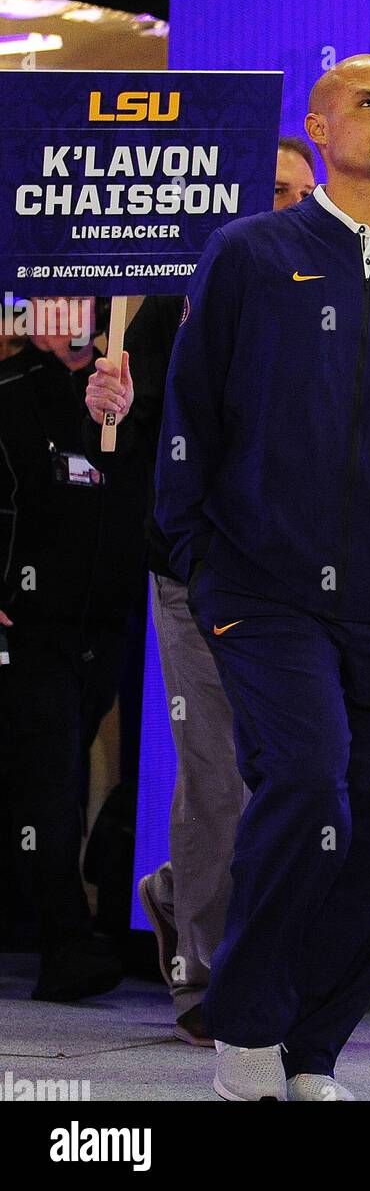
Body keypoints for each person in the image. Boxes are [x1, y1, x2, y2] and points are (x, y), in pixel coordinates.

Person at [155, 54, 370, 1101]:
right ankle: (246, 1026)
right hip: (267, 594)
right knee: (309, 786)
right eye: (368, 101)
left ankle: (312, 1053)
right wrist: (200, 557)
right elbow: (194, 417)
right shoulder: (251, 254)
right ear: (317, 127)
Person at [84, 140, 316, 1045]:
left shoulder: (332, 301)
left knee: (295, 781)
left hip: (302, 584)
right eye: (273, 190)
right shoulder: (176, 301)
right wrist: (114, 403)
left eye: (305, 192)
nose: (292, 205)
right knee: (218, 778)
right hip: (196, 578)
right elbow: (128, 426)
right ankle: (205, 987)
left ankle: (180, 892)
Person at [0, 298, 146, 1000]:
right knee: (52, 776)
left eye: (78, 305)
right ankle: (63, 938)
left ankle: (56, 922)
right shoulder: (13, 393)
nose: (67, 320)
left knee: (63, 772)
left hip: (106, 618)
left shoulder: (128, 393)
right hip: (29, 623)